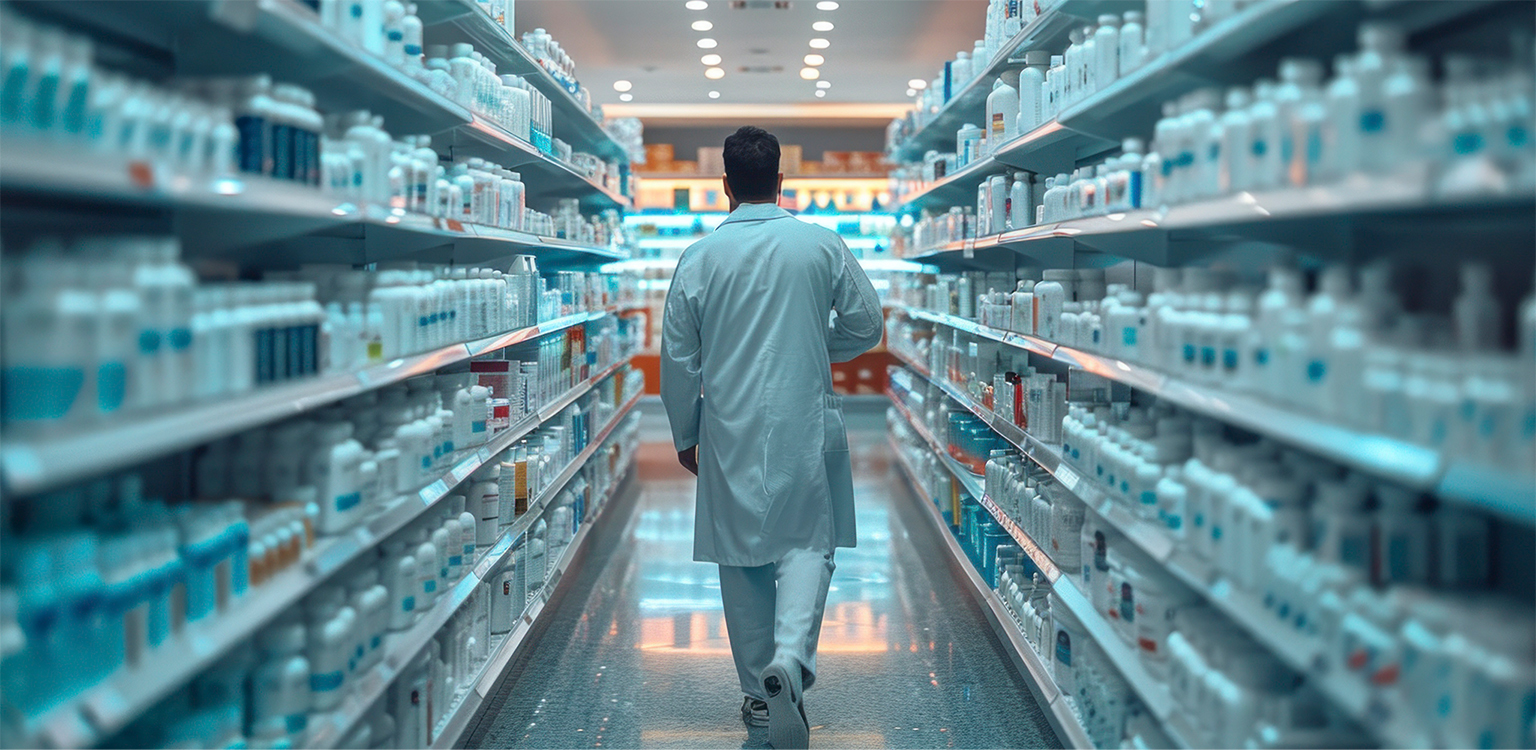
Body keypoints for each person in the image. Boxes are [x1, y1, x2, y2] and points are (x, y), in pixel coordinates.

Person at [659, 126, 884, 749]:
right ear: (782, 181)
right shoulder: (819, 244)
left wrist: (685, 431)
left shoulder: (699, 259)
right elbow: (867, 325)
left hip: (727, 426)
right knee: (808, 543)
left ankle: (761, 699)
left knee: (741, 557)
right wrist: (817, 343)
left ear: (725, 185)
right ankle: (791, 658)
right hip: (804, 419)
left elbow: (678, 359)